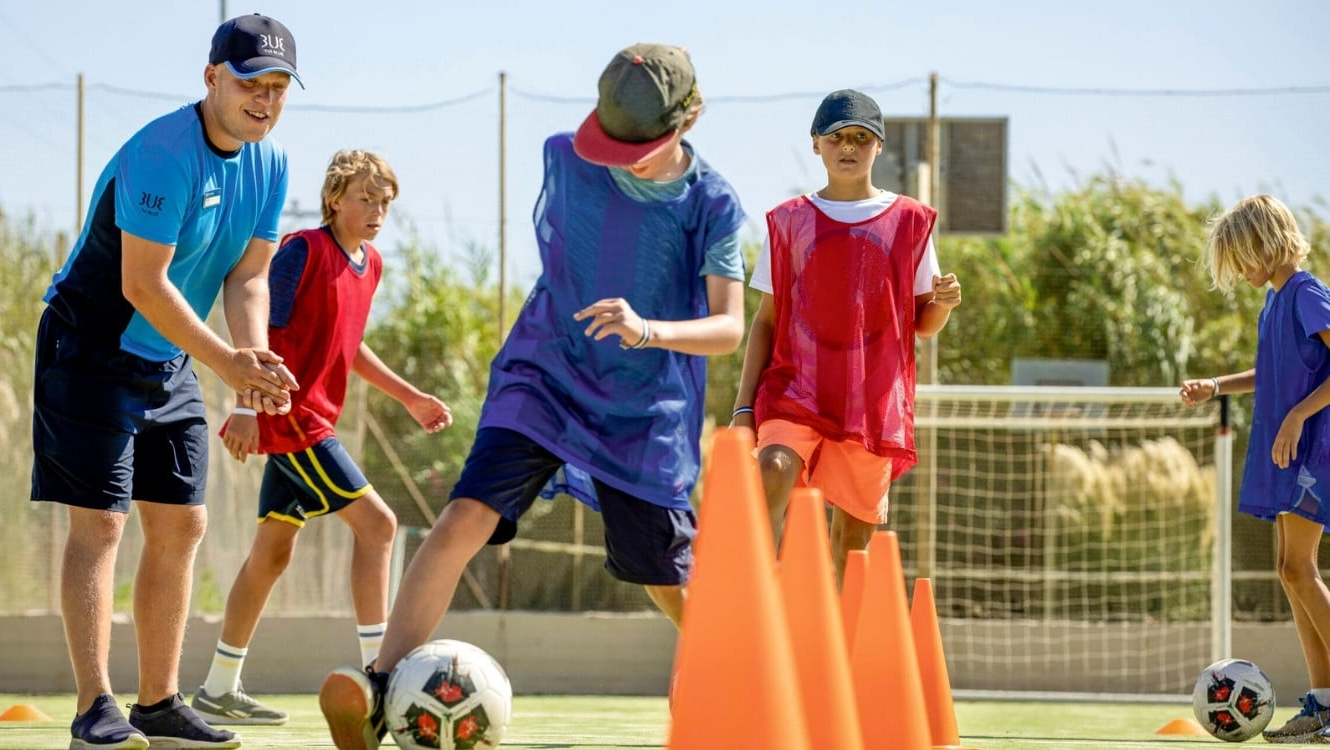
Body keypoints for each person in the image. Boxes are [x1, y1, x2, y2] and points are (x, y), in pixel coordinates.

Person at [315, 42, 749, 750]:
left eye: (641, 145)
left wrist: (645, 330)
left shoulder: (715, 204)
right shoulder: (566, 158)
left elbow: (730, 327)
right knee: (463, 515)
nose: (622, 158)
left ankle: (740, 679)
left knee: (664, 575)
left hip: (645, 411)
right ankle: (378, 686)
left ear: (691, 116)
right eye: (612, 140)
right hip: (545, 374)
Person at [30, 13, 302, 750]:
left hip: (170, 358)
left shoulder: (270, 164)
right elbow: (145, 284)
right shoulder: (162, 153)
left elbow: (248, 276)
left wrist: (249, 365)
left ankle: (159, 702)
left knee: (182, 523)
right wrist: (227, 362)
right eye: (252, 83)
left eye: (278, 88)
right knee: (102, 522)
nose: (265, 100)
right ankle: (95, 708)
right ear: (213, 77)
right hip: (90, 344)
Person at [189, 150, 453, 726]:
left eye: (385, 202)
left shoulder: (373, 264)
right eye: (365, 198)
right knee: (379, 527)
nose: (377, 210)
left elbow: (348, 343)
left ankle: (217, 687)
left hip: (312, 422)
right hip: (294, 420)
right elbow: (260, 327)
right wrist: (246, 405)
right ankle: (379, 680)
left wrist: (408, 396)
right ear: (335, 199)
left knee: (272, 553)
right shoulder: (301, 251)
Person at [730, 89, 960, 584]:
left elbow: (922, 324)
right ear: (816, 145)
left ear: (879, 146)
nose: (848, 147)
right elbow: (766, 321)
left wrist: (940, 304)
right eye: (837, 137)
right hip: (796, 387)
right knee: (772, 467)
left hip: (871, 401)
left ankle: (829, 650)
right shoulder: (789, 221)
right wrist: (744, 406)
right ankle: (759, 611)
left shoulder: (910, 222)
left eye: (861, 137)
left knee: (851, 547)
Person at [1179, 194, 1330, 744]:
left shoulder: (1307, 292)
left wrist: (1296, 416)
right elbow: (1272, 370)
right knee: (1291, 571)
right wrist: (1216, 385)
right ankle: (1323, 703)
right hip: (1289, 454)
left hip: (1314, 450)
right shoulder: (1274, 302)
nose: (1240, 272)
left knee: (1300, 570)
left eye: (1242, 258)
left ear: (1265, 245)